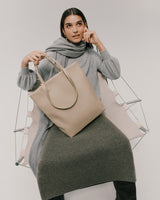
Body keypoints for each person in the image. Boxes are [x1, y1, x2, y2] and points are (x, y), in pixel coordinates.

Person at [17, 7, 137, 200]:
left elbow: (114, 72)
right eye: (69, 26)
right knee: (49, 163)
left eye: (79, 24)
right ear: (63, 31)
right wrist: (24, 64)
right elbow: (29, 85)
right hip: (61, 122)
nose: (75, 30)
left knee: (120, 146)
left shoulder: (91, 55)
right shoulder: (53, 55)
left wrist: (98, 43)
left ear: (85, 26)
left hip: (92, 116)